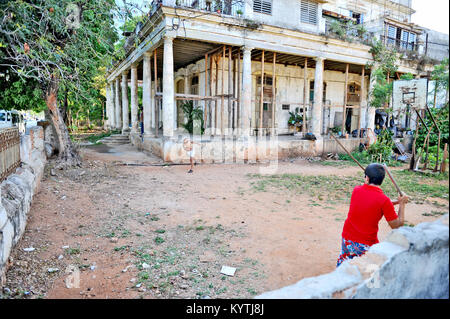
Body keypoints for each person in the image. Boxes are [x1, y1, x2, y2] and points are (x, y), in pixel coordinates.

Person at [336, 163, 409, 267]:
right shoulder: (384, 201)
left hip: (347, 238)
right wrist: (402, 204)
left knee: (345, 262)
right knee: (369, 268)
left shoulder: (356, 190)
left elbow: (372, 202)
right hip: (365, 243)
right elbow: (397, 225)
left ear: (367, 178)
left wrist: (398, 202)